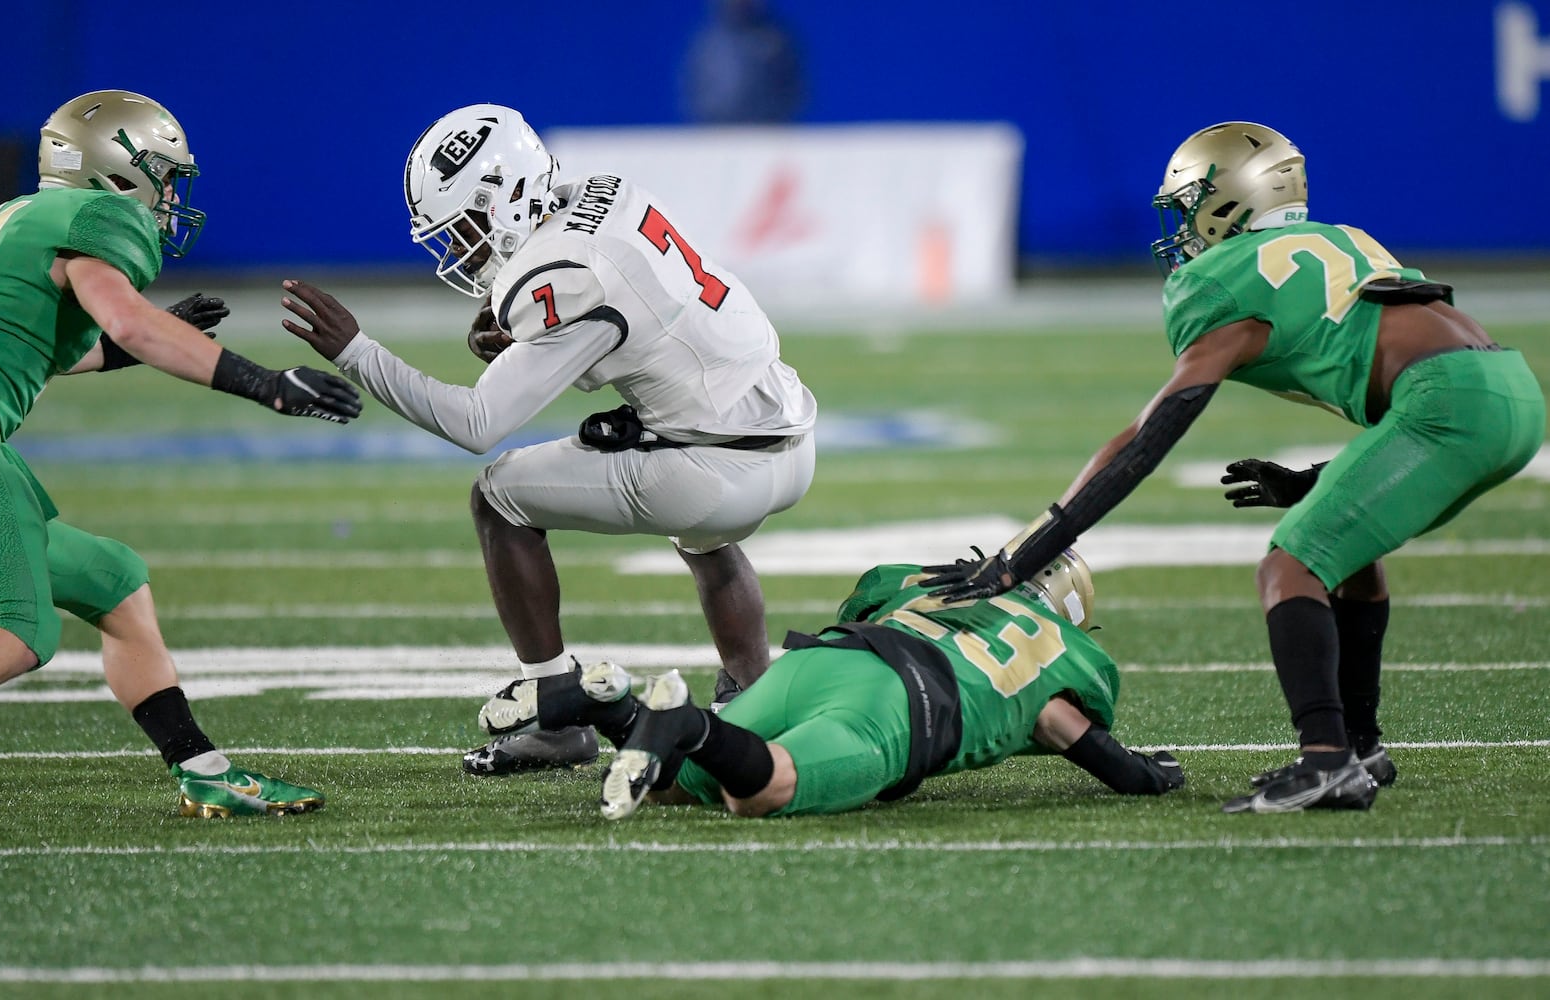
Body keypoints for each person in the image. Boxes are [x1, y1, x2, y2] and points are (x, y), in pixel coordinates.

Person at [922, 121, 1546, 815]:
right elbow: (1399, 357)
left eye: (1190, 206)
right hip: (1506, 390)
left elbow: (1149, 435)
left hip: (1447, 403)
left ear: (1232, 200)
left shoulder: (1225, 278)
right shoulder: (1343, 240)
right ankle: (1360, 746)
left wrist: (1029, 550)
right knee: (1348, 555)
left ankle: (1326, 760)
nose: (1184, 228)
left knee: (1290, 566)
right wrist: (1315, 483)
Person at [279, 104, 817, 777]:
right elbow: (632, 319)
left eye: (467, 226)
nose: (462, 248)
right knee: (703, 534)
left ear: (505, 198)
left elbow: (476, 423)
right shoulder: (606, 195)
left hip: (717, 471)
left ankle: (557, 714)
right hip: (784, 426)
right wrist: (525, 336)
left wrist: (356, 351)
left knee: (498, 496)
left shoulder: (560, 274)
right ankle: (750, 689)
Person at [0, 89, 364, 834]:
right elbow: (128, 321)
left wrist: (131, 343)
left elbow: (46, 348)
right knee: (18, 627)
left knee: (114, 580)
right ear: (118, 169)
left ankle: (204, 771)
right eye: (163, 174)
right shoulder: (99, 216)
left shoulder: (21, 216)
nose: (168, 194)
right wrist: (265, 384)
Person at [477, 545, 1182, 819]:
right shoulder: (1058, 652)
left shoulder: (927, 584)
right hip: (898, 709)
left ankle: (612, 705)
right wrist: (1150, 777)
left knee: (672, 784)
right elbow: (1077, 736)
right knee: (759, 792)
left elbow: (861, 602)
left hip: (829, 658)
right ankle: (688, 720)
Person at [680, 0, 806, 125]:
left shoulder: (776, 39)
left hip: (766, 130)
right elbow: (692, 86)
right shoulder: (708, 44)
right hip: (718, 131)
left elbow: (794, 84)